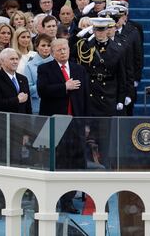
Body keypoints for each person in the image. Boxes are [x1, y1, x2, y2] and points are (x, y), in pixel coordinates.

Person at [37, 38, 88, 213]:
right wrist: (64, 87)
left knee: (74, 162)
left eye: (64, 48)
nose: (62, 52)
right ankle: (52, 199)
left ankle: (68, 200)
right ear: (52, 52)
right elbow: (42, 91)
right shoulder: (45, 68)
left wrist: (86, 122)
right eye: (58, 50)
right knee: (55, 161)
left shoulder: (79, 69)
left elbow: (85, 96)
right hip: (55, 122)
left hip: (75, 121)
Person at [74, 17, 126, 116]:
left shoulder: (117, 49)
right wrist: (83, 35)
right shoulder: (86, 46)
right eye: (97, 30)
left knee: (107, 127)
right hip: (91, 90)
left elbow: (121, 76)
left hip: (108, 92)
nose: (100, 33)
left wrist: (121, 99)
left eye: (103, 30)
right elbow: (72, 52)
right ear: (93, 31)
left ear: (107, 30)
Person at [23, 33, 53, 114]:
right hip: (37, 107)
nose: (46, 48)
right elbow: (27, 89)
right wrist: (43, 86)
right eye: (43, 45)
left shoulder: (56, 63)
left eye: (48, 45)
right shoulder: (29, 65)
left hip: (55, 106)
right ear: (36, 47)